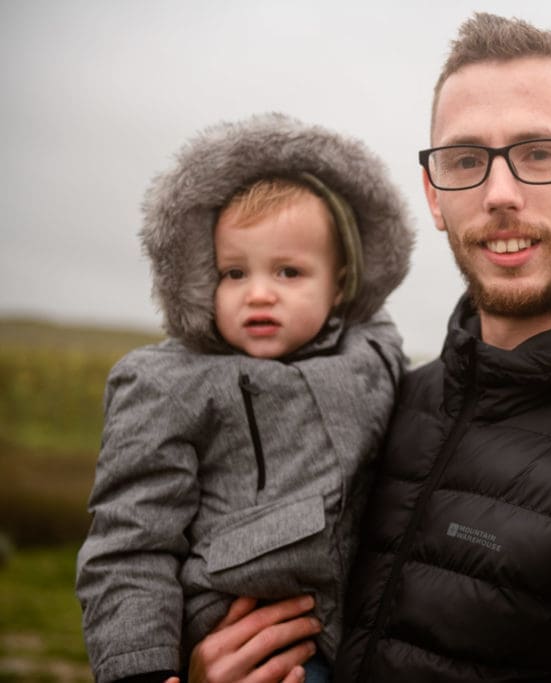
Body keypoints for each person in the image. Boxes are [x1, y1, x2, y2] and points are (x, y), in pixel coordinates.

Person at [184, 12, 551, 683]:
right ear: (432, 193)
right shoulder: (387, 403)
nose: (500, 194)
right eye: (466, 160)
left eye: (540, 153)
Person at [75, 112, 413, 682]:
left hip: (355, 638)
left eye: (288, 272)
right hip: (231, 635)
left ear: (339, 284)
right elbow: (131, 543)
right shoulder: (167, 383)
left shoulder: (371, 359)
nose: (258, 294)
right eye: (234, 273)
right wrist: (143, 671)